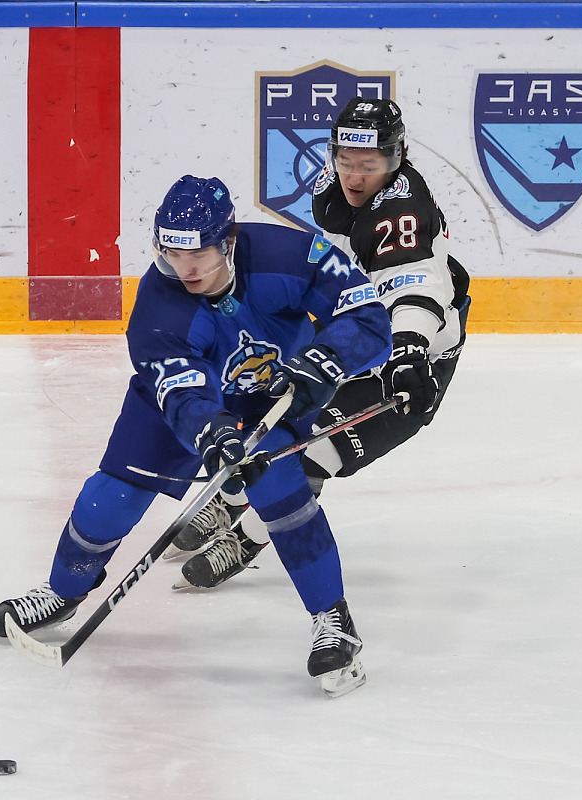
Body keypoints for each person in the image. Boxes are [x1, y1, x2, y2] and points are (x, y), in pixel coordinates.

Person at [0, 174, 392, 697]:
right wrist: (209, 431)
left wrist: (326, 360)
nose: (186, 269)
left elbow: (368, 318)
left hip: (272, 394)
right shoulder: (160, 305)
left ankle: (333, 620)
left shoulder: (291, 255)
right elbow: (180, 392)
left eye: (198, 254)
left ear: (228, 241)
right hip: (187, 405)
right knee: (111, 497)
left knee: (282, 495)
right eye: (173, 254)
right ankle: (62, 592)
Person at [172, 97, 471, 591]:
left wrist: (409, 347)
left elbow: (414, 284)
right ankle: (231, 502)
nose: (354, 176)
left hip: (413, 356)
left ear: (396, 158)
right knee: (271, 419)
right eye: (346, 161)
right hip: (352, 334)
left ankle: (247, 538)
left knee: (317, 451)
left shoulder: (402, 210)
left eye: (369, 165)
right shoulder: (332, 190)